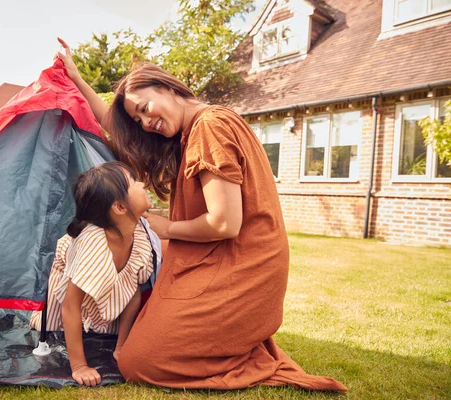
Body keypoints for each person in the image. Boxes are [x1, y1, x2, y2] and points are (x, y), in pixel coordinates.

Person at [54, 38, 347, 391]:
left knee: (138, 361)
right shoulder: (191, 131)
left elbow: (225, 223)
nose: (146, 122)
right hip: (214, 261)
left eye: (146, 108)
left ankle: (252, 359)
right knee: (138, 346)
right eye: (139, 118)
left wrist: (166, 227)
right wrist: (77, 79)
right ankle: (232, 344)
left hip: (240, 267)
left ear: (166, 87)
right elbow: (119, 129)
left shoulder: (209, 127)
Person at [30, 162, 156, 387]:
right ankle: (43, 321)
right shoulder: (92, 244)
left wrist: (121, 345)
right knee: (53, 329)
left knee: (102, 333)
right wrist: (79, 366)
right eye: (134, 182)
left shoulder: (140, 236)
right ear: (119, 207)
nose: (142, 183)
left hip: (106, 307)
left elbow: (133, 291)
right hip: (66, 310)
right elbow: (70, 305)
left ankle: (107, 334)